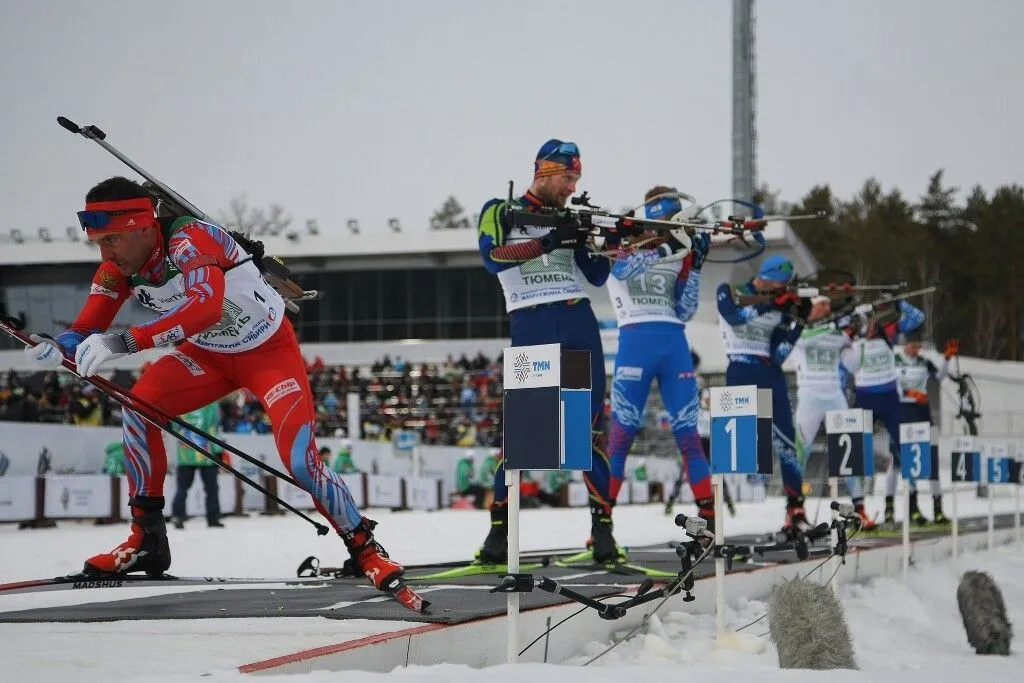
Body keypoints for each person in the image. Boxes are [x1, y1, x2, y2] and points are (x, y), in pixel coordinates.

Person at [22, 176, 405, 593]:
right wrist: (55, 346)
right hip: (207, 359)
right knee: (137, 407)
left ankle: (366, 548)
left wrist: (128, 340)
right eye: (99, 242)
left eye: (112, 239)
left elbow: (205, 308)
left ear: (144, 227)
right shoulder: (118, 269)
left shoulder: (191, 239)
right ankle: (147, 539)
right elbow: (85, 327)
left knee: (297, 458)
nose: (106, 252)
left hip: (267, 355)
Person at [475, 139, 619, 563]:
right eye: (568, 177)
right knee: (521, 438)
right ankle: (498, 534)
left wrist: (602, 241)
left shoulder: (570, 215)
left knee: (591, 434)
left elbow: (595, 274)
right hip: (531, 321)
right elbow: (492, 257)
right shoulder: (500, 210)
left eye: (577, 178)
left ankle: (603, 532)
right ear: (545, 171)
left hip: (577, 320)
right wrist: (551, 240)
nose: (573, 187)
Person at [604, 187, 716, 530]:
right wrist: (667, 246)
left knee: (689, 437)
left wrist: (695, 266)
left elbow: (685, 309)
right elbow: (622, 271)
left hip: (673, 343)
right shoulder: (621, 246)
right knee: (621, 436)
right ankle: (602, 522)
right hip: (634, 340)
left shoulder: (678, 253)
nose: (670, 231)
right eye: (666, 223)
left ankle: (710, 518)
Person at [716, 254, 810, 534]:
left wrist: (799, 324)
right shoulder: (730, 291)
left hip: (769, 372)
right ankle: (713, 512)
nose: (780, 291)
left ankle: (795, 507)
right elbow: (733, 318)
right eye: (778, 285)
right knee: (736, 445)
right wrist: (771, 303)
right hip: (740, 369)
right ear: (768, 278)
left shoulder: (780, 306)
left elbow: (779, 354)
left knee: (786, 444)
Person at [791, 296, 874, 528]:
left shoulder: (837, 334)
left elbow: (854, 366)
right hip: (809, 394)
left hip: (834, 395)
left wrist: (860, 335)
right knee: (800, 451)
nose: (826, 308)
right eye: (821, 304)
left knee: (849, 451)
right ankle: (794, 508)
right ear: (811, 307)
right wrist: (837, 325)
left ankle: (860, 508)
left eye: (829, 304)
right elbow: (804, 340)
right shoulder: (799, 328)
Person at [849, 298, 932, 526]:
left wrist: (899, 302)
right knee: (856, 456)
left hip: (889, 400)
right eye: (865, 322)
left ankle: (912, 505)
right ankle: (859, 509)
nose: (870, 327)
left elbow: (917, 318)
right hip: (865, 398)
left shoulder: (889, 332)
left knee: (905, 450)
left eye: (872, 321)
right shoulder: (850, 337)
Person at [894, 331, 959, 525]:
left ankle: (938, 507)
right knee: (909, 460)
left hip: (924, 413)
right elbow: (892, 386)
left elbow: (939, 377)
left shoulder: (923, 362)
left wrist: (947, 358)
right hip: (905, 413)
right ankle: (912, 507)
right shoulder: (894, 360)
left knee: (931, 458)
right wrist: (910, 392)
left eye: (918, 346)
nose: (916, 350)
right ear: (904, 345)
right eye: (913, 346)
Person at [171, 401, 225, 529]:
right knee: (211, 488)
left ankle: (178, 516)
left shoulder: (179, 403)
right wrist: (218, 450)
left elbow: (174, 426)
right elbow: (214, 427)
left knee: (182, 488)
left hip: (186, 453)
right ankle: (213, 518)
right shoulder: (211, 403)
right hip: (207, 453)